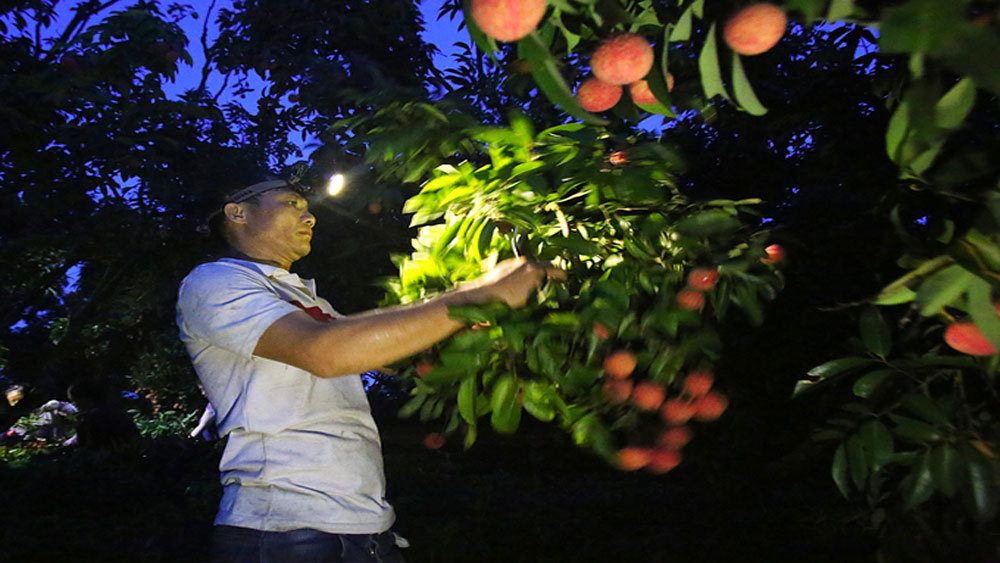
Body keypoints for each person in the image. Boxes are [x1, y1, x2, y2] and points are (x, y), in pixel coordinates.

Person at [176, 178, 562, 562]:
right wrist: (480, 292)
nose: (309, 216)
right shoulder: (214, 282)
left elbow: (388, 358)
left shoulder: (307, 299)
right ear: (237, 212)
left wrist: (467, 325)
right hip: (284, 531)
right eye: (291, 203)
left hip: (364, 527)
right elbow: (325, 352)